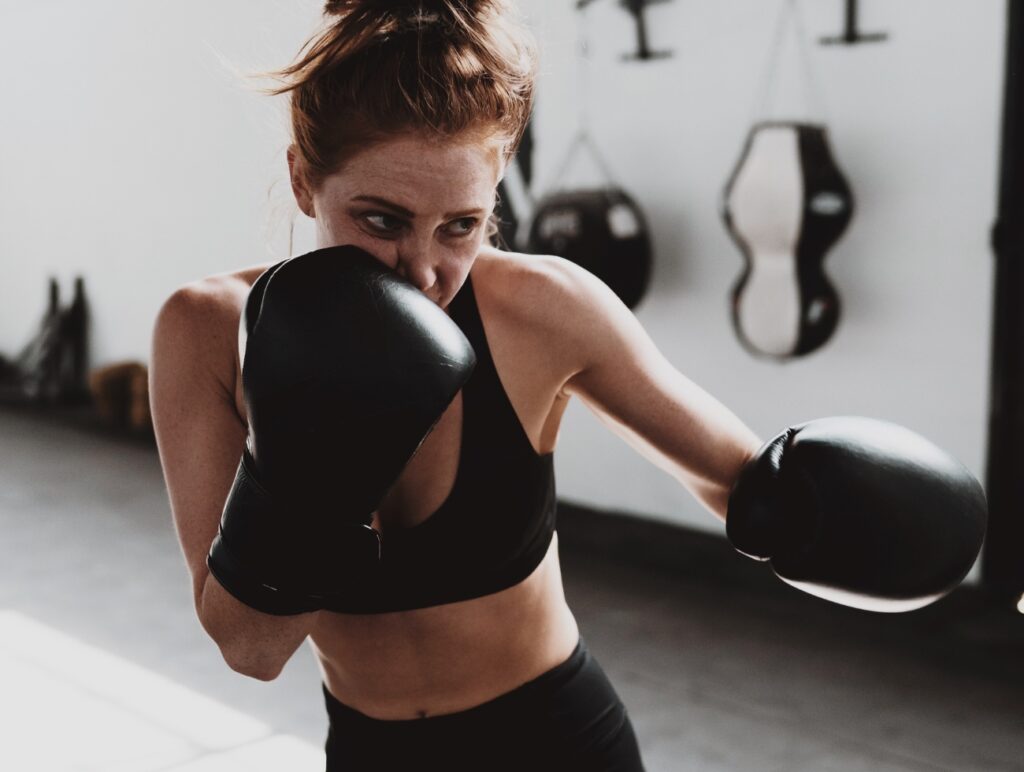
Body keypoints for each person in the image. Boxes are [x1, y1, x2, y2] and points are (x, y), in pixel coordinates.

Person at [150, 1, 985, 769]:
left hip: (556, 741)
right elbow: (249, 647)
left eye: (462, 226)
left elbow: (744, 483)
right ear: (304, 179)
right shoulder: (206, 331)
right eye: (381, 221)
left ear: (497, 188)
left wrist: (820, 508)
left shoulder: (545, 309)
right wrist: (315, 457)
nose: (425, 269)